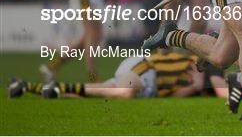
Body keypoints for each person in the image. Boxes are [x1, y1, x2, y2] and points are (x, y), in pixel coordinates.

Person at [10, 50, 227, 99]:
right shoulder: (208, 64)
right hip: (143, 69)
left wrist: (194, 87)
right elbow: (222, 90)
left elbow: (174, 93)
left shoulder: (201, 81)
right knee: (124, 92)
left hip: (146, 85)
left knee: (99, 92)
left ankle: (27, 87)